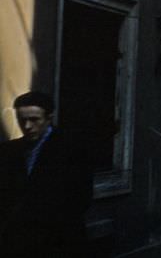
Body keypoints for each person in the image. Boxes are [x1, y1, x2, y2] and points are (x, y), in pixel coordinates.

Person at [0, 91, 94, 257]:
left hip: (58, 243)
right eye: (22, 120)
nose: (27, 126)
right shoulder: (8, 151)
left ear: (49, 118)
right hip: (17, 243)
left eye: (34, 119)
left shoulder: (72, 150)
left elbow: (81, 199)